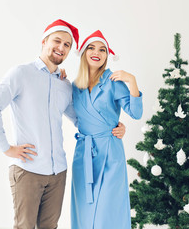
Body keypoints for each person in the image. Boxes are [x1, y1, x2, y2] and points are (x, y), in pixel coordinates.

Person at [0, 20, 125, 229]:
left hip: (58, 173)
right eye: (57, 41)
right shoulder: (20, 74)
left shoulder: (64, 85)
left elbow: (81, 119)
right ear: (44, 41)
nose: (61, 48)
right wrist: (6, 147)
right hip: (28, 170)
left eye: (67, 45)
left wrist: (115, 127)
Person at [71, 30, 143, 229]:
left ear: (107, 55)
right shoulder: (75, 86)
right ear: (84, 52)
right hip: (83, 153)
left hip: (110, 152)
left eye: (102, 49)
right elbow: (74, 116)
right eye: (92, 48)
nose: (97, 52)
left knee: (108, 212)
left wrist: (132, 80)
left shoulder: (113, 81)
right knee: (84, 211)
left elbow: (135, 113)